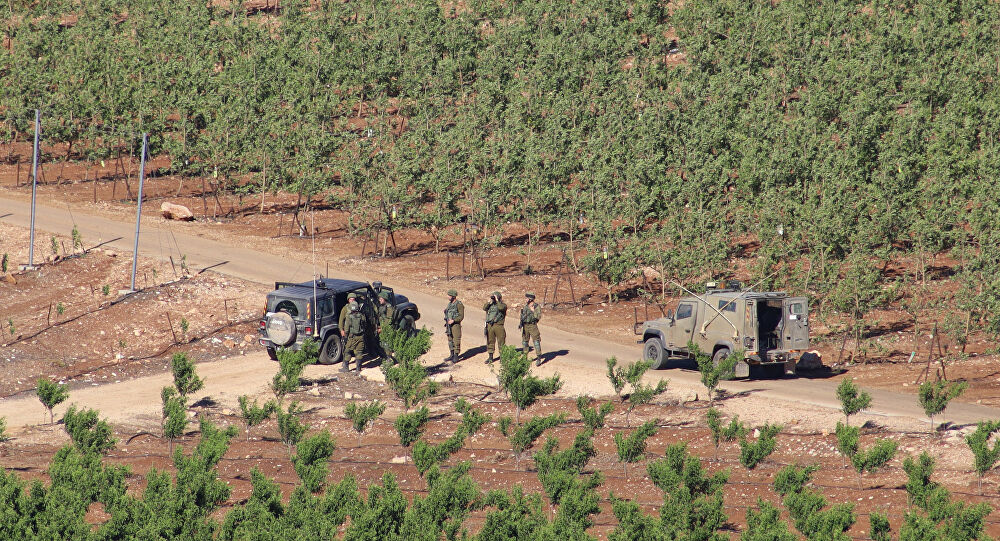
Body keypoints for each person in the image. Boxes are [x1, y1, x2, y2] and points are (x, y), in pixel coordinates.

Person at [519, 292, 542, 366]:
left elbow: (538, 317)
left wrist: (533, 311)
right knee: (525, 342)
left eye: (526, 298)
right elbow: (522, 316)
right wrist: (520, 324)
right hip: (525, 326)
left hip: (532, 326)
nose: (525, 299)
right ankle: (525, 357)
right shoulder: (525, 306)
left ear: (530, 299)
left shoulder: (536, 306)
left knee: (536, 342)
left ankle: (539, 358)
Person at [483, 291, 507, 364]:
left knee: (501, 342)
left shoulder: (503, 305)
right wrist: (489, 302)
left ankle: (502, 357)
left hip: (499, 325)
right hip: (490, 325)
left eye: (495, 296)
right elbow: (484, 308)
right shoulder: (490, 305)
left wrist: (497, 301)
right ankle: (490, 357)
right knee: (490, 341)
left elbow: (501, 308)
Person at [342, 302, 366, 373]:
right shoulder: (361, 316)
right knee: (359, 352)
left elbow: (346, 329)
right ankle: (358, 368)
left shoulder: (349, 316)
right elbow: (364, 324)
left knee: (347, 351)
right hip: (360, 337)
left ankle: (346, 368)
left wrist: (345, 337)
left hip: (352, 337)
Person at [444, 288, 464, 364]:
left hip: (455, 325)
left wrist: (454, 320)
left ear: (453, 296)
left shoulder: (459, 304)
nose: (448, 297)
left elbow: (461, 316)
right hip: (449, 324)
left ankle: (456, 356)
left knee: (456, 340)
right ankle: (451, 354)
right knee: (450, 339)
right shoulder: (450, 304)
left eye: (449, 295)